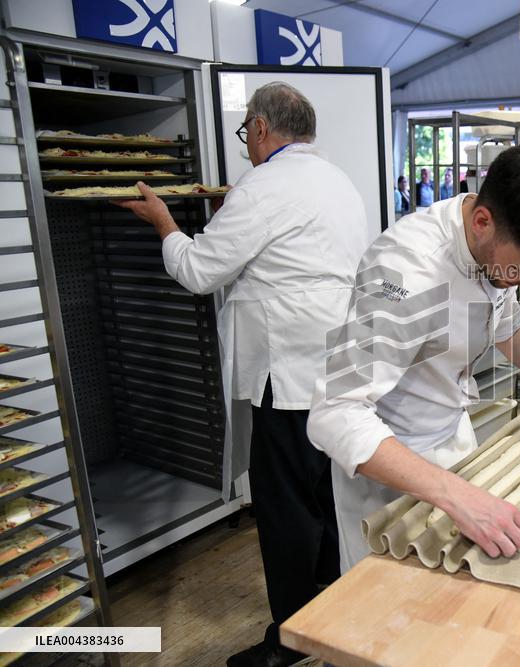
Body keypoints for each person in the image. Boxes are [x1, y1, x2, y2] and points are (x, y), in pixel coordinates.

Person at [117, 82, 368, 667]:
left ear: (259, 128)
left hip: (285, 380)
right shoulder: (335, 180)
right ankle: (333, 616)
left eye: (246, 136)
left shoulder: (264, 186)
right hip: (335, 371)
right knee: (328, 505)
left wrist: (162, 220)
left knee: (285, 517)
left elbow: (200, 271)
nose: (247, 147)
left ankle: (290, 640)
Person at [307, 144, 520, 571]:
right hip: (392, 473)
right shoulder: (406, 273)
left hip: (453, 446)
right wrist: (454, 495)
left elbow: (508, 328)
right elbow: (334, 413)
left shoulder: (494, 246)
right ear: (483, 222)